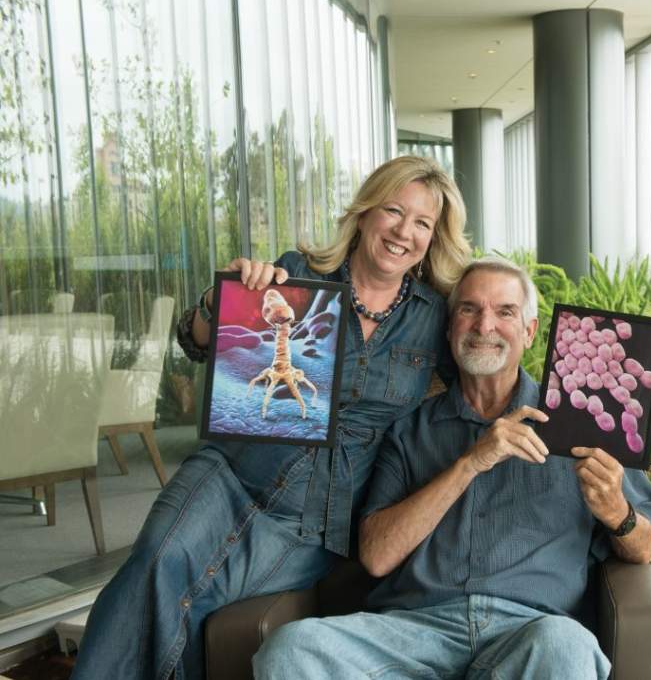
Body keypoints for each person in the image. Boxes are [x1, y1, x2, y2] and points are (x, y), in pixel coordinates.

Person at [73, 156, 472, 680]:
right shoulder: (297, 273)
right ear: (366, 212)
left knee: (196, 597)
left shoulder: (433, 317)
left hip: (317, 520)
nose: (404, 232)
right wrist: (219, 300)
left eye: (422, 222)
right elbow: (194, 341)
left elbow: (480, 383)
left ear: (434, 237)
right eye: (394, 211)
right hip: (231, 474)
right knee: (156, 560)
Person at [252, 257, 651, 680]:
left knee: (567, 645)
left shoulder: (582, 421)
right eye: (469, 309)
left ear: (529, 331)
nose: (485, 325)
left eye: (505, 312)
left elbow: (642, 548)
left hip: (529, 633)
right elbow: (376, 557)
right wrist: (470, 462)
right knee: (290, 651)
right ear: (450, 330)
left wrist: (618, 512)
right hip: (413, 633)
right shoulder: (410, 430)